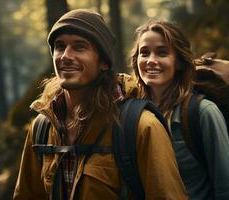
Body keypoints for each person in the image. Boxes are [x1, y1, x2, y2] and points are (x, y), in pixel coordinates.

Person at [13, 9, 188, 200]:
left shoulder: (141, 126)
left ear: (104, 62)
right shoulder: (42, 127)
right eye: (59, 46)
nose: (65, 56)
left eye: (79, 47)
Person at [130, 20, 229, 200]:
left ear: (180, 62)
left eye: (162, 53)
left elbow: (228, 189)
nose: (151, 61)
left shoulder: (203, 113)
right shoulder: (132, 113)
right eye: (144, 53)